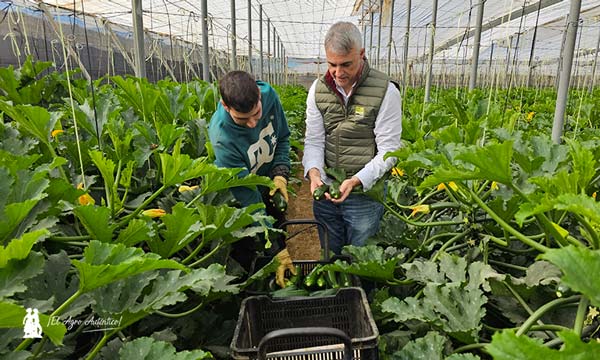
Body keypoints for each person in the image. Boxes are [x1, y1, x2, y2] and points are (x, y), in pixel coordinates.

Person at [302, 21, 402, 254]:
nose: (338, 73)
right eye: (332, 64)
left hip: (364, 197)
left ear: (362, 54)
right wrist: (314, 172)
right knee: (331, 258)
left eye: (346, 64)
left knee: (362, 261)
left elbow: (389, 150)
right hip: (326, 192)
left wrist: (357, 180)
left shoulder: (386, 91)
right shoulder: (317, 90)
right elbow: (314, 140)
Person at [208, 70, 295, 286]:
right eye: (242, 119)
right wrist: (276, 249)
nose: (252, 124)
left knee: (278, 221)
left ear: (259, 96)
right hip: (240, 198)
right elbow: (250, 200)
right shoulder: (223, 139)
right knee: (250, 249)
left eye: (256, 114)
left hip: (268, 183)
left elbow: (282, 138)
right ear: (225, 106)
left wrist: (280, 175)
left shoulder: (270, 96)